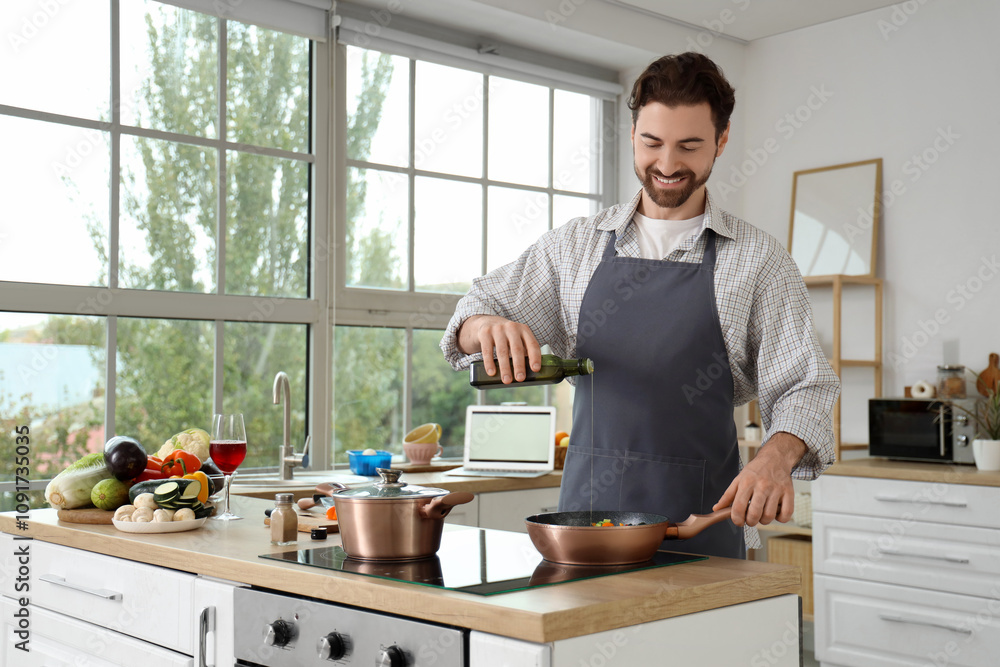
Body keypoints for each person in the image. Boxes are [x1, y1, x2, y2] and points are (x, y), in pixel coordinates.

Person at [439, 52, 840, 558]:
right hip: (583, 536)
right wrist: (484, 326)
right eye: (652, 143)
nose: (668, 165)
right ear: (632, 135)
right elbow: (472, 312)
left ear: (721, 140)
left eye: (689, 146)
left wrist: (777, 455)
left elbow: (807, 384)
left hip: (703, 538)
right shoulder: (576, 246)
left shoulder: (758, 261)